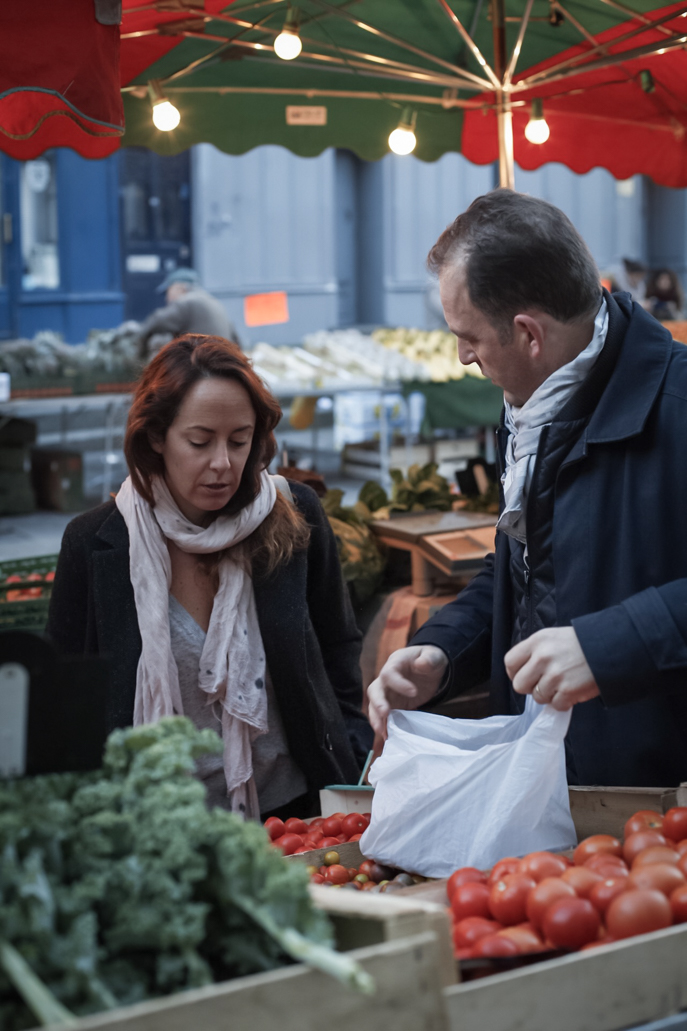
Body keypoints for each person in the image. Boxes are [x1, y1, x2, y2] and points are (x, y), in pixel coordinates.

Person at [368, 189, 687, 788]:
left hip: (656, 813)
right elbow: (524, 572)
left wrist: (607, 646)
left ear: (528, 335)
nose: (464, 356)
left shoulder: (679, 406)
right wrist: (442, 653)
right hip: (541, 789)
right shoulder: (529, 408)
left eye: (470, 337)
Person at [47, 334, 372, 819]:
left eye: (239, 441)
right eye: (200, 442)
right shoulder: (95, 543)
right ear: (157, 437)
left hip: (295, 818)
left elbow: (338, 646)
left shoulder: (293, 515)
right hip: (160, 830)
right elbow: (67, 705)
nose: (223, 464)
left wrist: (350, 749)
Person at [138, 268, 240, 358]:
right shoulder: (214, 301)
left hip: (202, 365)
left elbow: (155, 322)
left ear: (180, 288)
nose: (166, 298)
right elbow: (236, 340)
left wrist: (140, 351)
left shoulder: (187, 302)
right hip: (224, 363)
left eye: (168, 291)